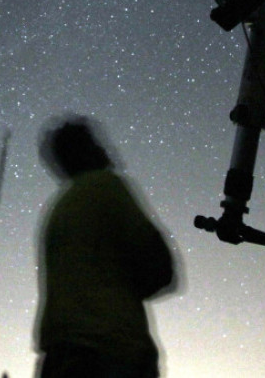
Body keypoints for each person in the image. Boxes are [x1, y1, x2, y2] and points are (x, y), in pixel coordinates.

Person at [36, 116, 176, 378]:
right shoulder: (107, 186)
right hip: (113, 351)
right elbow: (160, 267)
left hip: (59, 358)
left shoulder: (58, 211)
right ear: (88, 149)